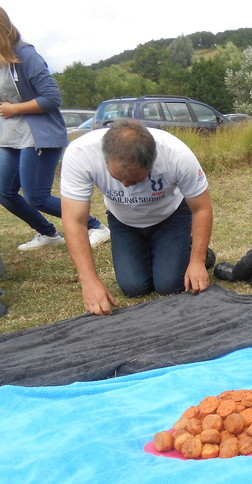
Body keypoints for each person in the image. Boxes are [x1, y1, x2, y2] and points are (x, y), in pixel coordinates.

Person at [60, 119, 213, 316]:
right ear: (105, 159)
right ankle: (162, 251)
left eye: (135, 180)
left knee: (169, 285)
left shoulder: (177, 155)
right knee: (133, 288)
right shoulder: (80, 154)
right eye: (117, 178)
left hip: (170, 215)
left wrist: (198, 262)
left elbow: (201, 208)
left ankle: (190, 249)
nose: (125, 185)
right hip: (123, 220)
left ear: (152, 162)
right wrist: (89, 281)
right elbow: (75, 220)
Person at [0, 7, 109, 251]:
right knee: (4, 192)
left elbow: (51, 98)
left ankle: (97, 227)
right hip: (10, 137)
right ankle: (48, 234)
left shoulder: (26, 56)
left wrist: (14, 109)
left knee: (36, 197)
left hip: (38, 137)